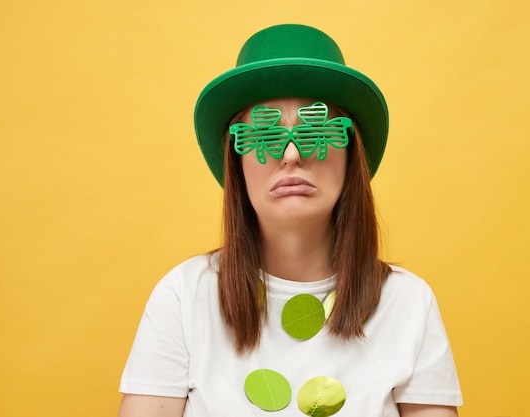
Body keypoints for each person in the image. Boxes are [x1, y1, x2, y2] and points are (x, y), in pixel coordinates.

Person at [118, 24, 462, 417]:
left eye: (316, 129)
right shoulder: (184, 296)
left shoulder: (407, 302)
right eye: (263, 133)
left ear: (352, 157)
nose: (293, 153)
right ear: (236, 160)